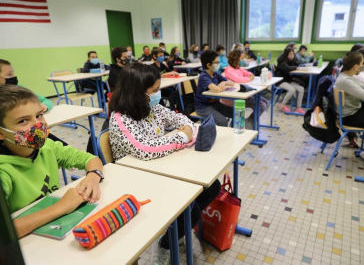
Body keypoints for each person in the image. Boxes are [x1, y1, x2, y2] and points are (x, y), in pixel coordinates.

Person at [108, 63, 220, 264]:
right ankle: (166, 244)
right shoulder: (120, 119)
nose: (158, 95)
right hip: (136, 178)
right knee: (190, 208)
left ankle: (174, 232)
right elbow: (146, 149)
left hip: (161, 168)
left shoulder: (153, 108)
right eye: (155, 91)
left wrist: (184, 130)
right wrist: (181, 138)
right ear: (137, 92)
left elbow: (181, 120)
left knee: (213, 187)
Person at [0, 85, 104, 238]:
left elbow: (91, 159)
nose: (37, 125)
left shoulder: (48, 147)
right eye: (23, 120)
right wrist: (61, 207)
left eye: (39, 115)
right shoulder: (4, 170)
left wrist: (93, 177)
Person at [0, 59, 67, 145]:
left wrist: (44, 106)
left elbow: (46, 101)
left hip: (31, 136)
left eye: (13, 73)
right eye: (9, 74)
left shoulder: (20, 88)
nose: (13, 76)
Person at [224, 49, 270, 127]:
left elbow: (248, 73)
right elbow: (239, 80)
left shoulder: (238, 68)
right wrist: (249, 78)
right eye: (242, 58)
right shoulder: (229, 70)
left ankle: (249, 121)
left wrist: (250, 76)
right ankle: (248, 123)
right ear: (236, 59)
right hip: (233, 97)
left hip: (242, 94)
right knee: (262, 105)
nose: (243, 60)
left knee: (266, 102)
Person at [194, 50, 235, 126]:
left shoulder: (215, 74)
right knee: (223, 121)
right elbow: (217, 90)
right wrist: (223, 85)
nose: (218, 64)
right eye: (216, 63)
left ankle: (233, 134)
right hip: (203, 107)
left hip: (215, 104)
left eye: (218, 62)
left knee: (236, 113)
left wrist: (224, 82)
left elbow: (231, 83)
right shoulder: (204, 76)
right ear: (208, 65)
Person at [274, 47, 306, 114]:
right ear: (286, 54)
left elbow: (296, 65)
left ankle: (298, 107)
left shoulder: (291, 61)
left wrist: (300, 66)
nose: (292, 56)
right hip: (280, 81)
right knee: (292, 90)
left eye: (293, 54)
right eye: (290, 54)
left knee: (301, 89)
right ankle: (282, 104)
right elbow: (287, 68)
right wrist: (296, 68)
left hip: (288, 80)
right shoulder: (281, 62)